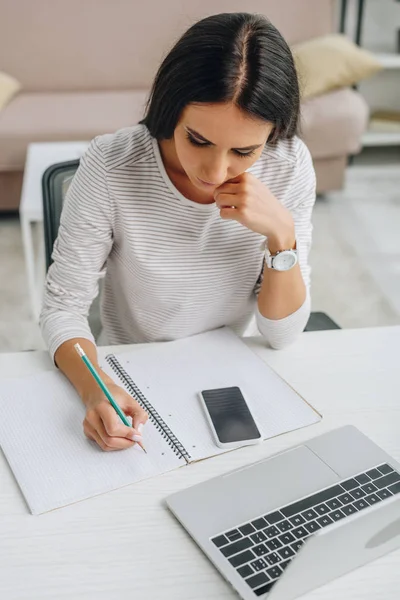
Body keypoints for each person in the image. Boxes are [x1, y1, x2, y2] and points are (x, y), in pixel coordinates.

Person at [40, 12, 316, 453]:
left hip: (234, 368)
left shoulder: (289, 165)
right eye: (198, 140)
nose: (215, 171)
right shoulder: (112, 164)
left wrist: (282, 235)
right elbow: (62, 308)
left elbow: (282, 336)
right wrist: (96, 390)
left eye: (244, 151)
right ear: (171, 109)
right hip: (131, 369)